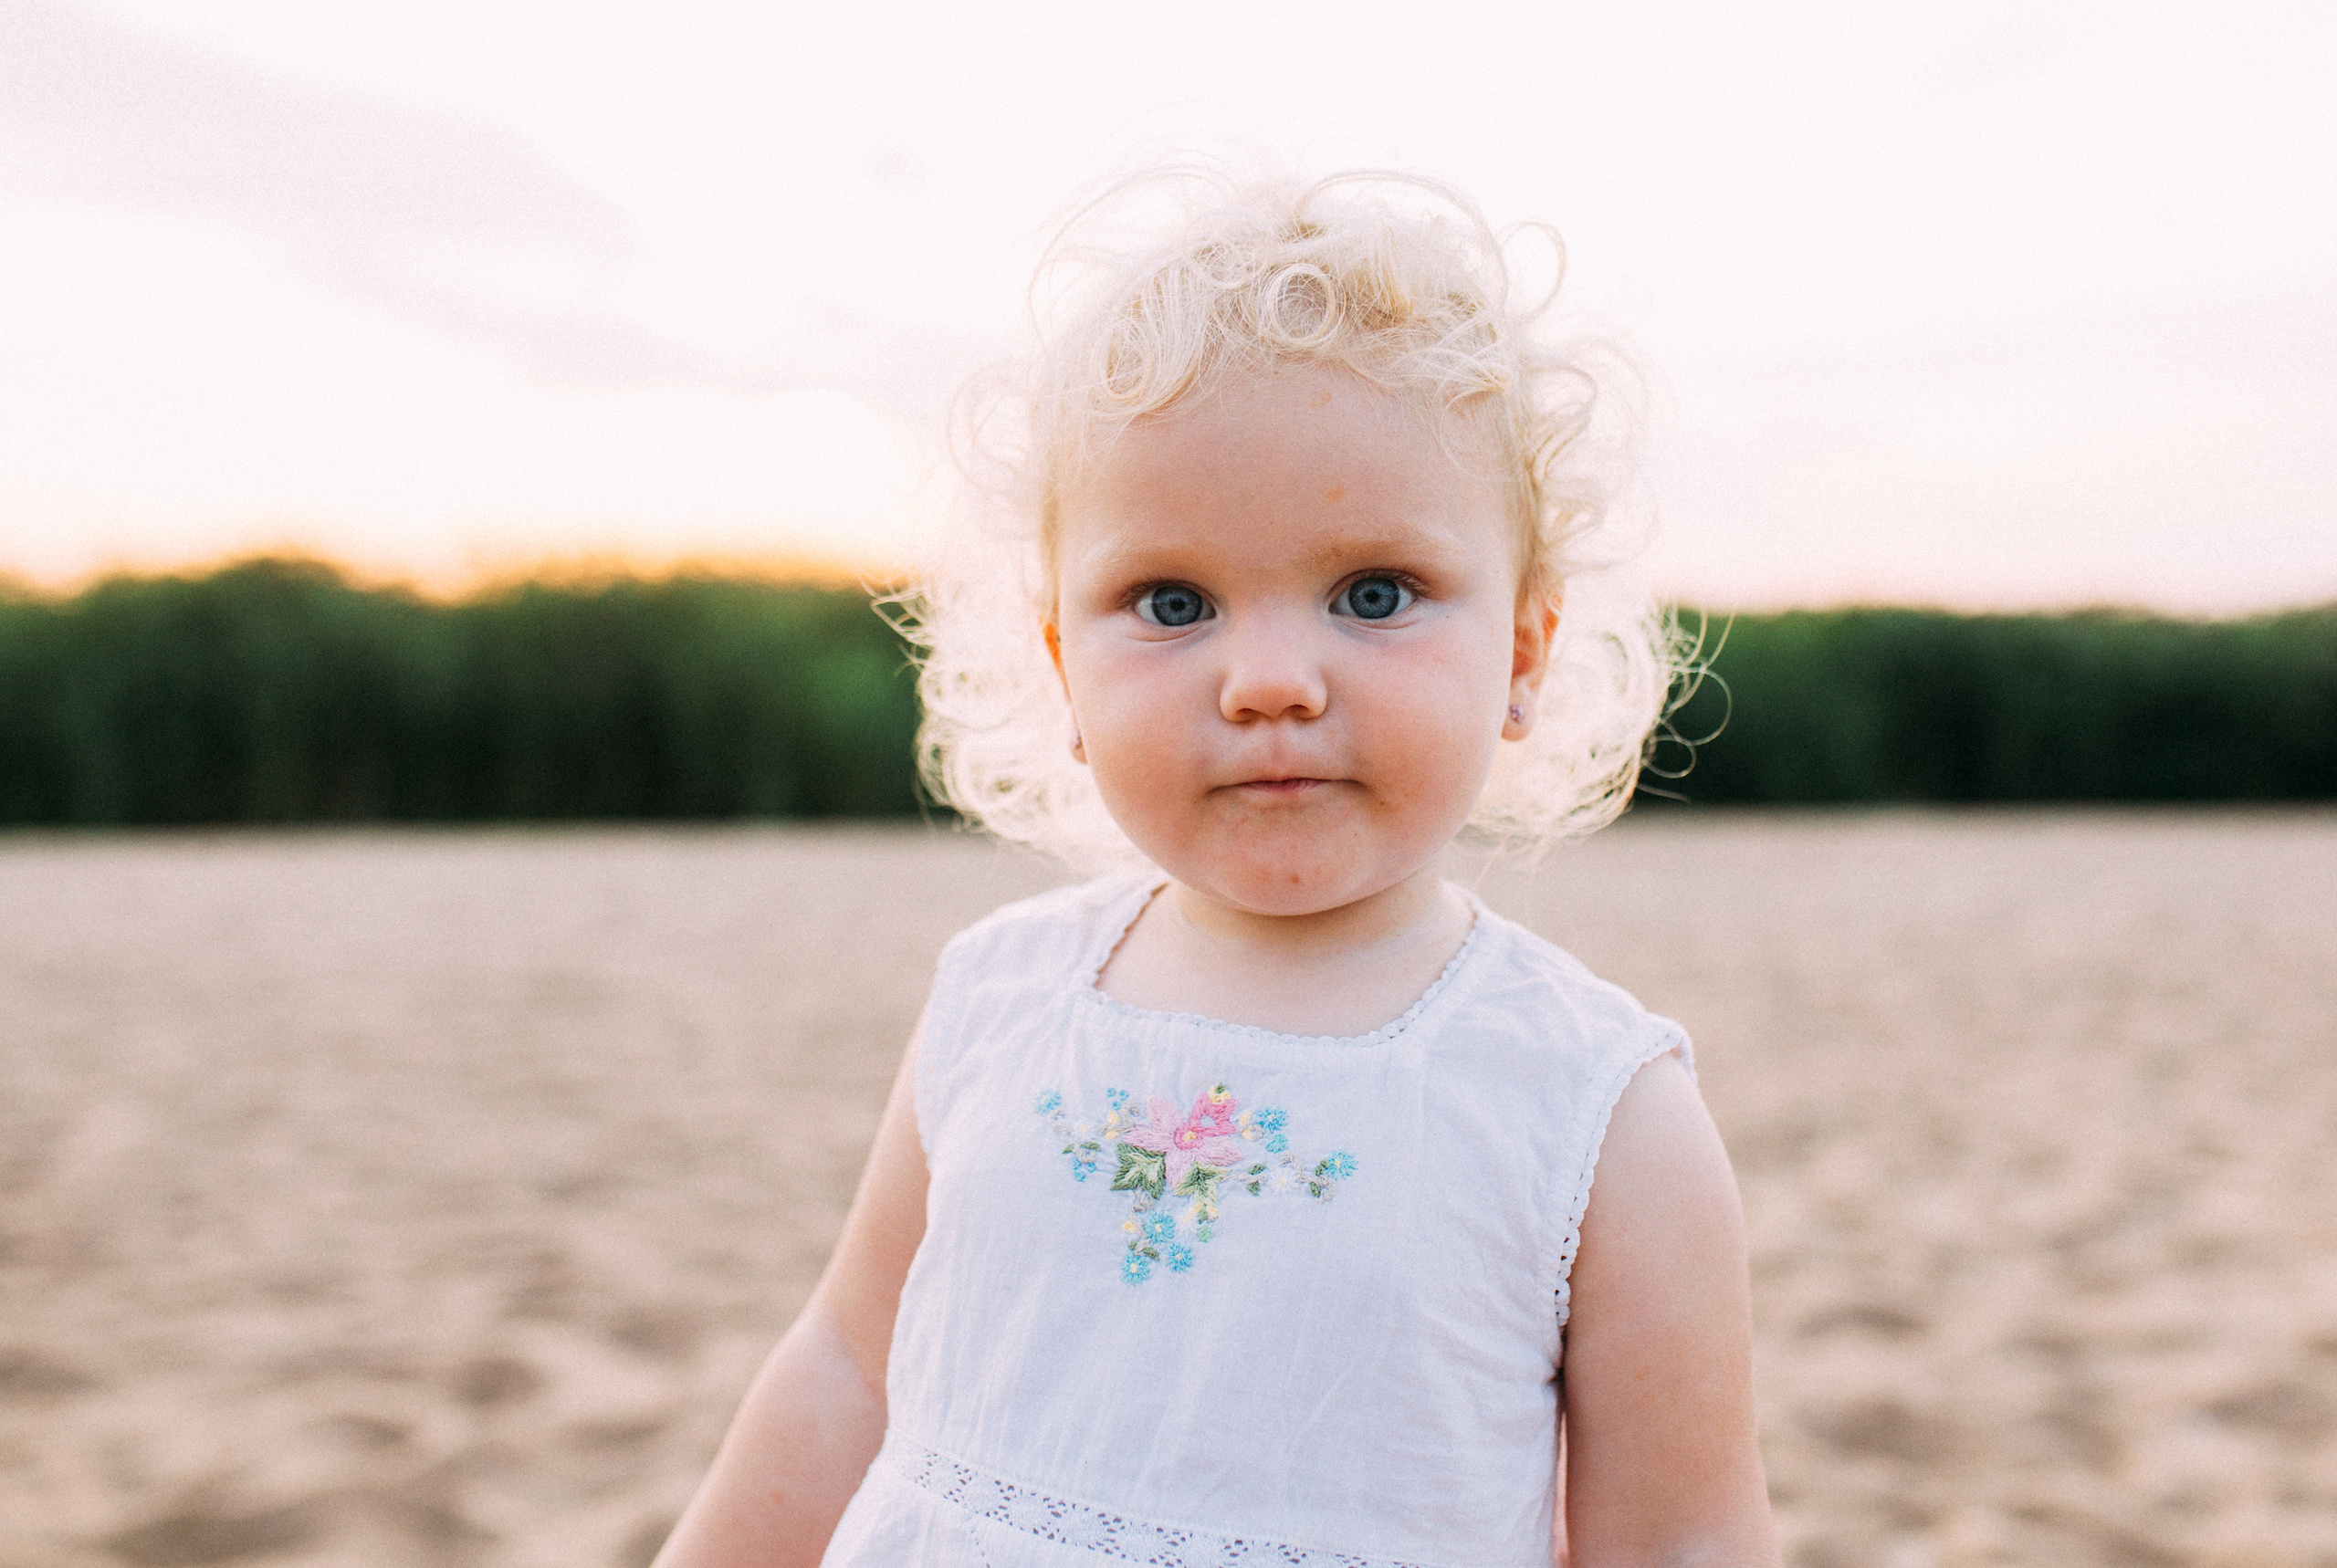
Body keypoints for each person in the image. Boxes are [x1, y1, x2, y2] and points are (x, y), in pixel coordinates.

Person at [655, 164, 1776, 1568]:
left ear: (1526, 651)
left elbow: (1680, 1542)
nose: (1267, 681)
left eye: (1374, 592)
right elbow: (845, 1364)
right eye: (1170, 602)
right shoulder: (1001, 997)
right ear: (1065, 664)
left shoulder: (1594, 1109)